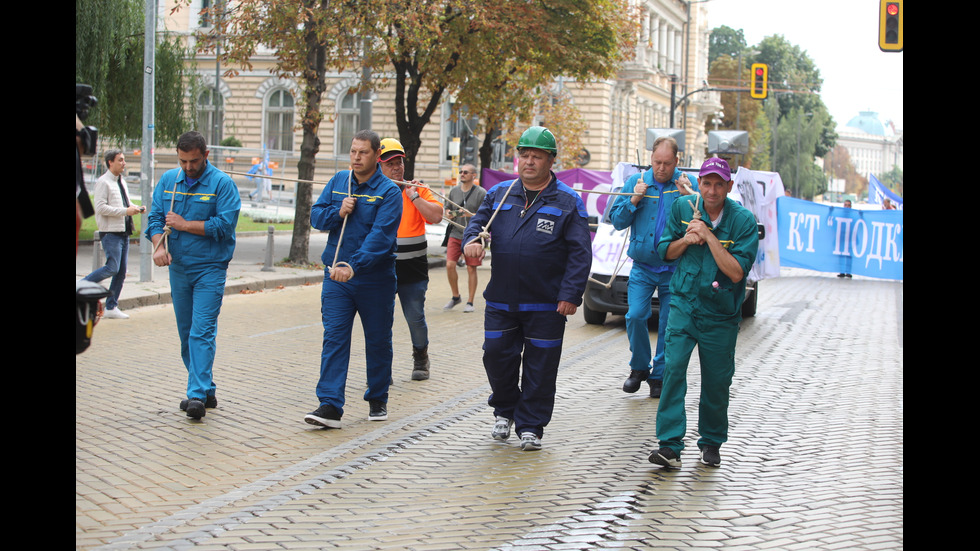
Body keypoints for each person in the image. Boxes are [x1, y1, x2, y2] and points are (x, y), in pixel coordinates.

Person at [462, 126, 592, 451]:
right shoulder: (500, 194)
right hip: (501, 299)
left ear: (551, 161)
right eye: (524, 154)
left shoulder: (568, 202)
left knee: (541, 367)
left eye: (537, 156)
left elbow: (580, 252)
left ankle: (531, 425)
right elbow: (475, 226)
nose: (529, 161)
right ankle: (504, 410)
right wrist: (472, 243)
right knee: (495, 357)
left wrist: (570, 294)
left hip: (546, 303)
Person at [648, 157, 759, 469]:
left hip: (720, 313)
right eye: (707, 183)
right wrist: (687, 238)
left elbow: (736, 272)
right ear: (699, 184)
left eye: (719, 184)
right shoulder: (683, 209)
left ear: (729, 186)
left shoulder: (743, 222)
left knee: (716, 381)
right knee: (673, 372)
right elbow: (665, 252)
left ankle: (711, 442)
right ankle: (669, 445)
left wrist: (710, 237)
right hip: (684, 305)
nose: (712, 190)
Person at [305, 130, 402, 429]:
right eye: (353, 151)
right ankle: (330, 405)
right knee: (334, 337)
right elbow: (316, 216)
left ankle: (377, 396)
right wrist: (338, 211)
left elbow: (380, 238)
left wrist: (354, 265)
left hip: (375, 279)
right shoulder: (338, 182)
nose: (356, 158)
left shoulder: (389, 192)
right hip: (336, 278)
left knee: (377, 340)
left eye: (363, 153)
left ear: (376, 156)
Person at [146, 131, 241, 419]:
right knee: (187, 334)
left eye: (194, 161)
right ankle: (206, 387)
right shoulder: (168, 181)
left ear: (206, 155)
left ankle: (196, 394)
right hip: (179, 268)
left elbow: (224, 226)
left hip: (209, 268)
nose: (188, 167)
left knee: (201, 330)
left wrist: (185, 225)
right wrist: (158, 246)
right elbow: (154, 219)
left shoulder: (222, 184)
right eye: (183, 161)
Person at [606, 137, 695, 399]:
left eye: (667, 163)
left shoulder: (685, 184)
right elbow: (617, 221)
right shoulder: (637, 181)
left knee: (669, 324)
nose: (661, 168)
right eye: (657, 162)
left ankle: (659, 376)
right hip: (643, 266)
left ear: (677, 161)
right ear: (651, 158)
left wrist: (688, 196)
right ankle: (639, 368)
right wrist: (634, 199)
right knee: (635, 315)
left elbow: (703, 219)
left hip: (675, 266)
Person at [378, 137, 443, 381]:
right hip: (382, 267)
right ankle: (382, 368)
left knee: (415, 316)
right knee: (380, 320)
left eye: (399, 162)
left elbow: (436, 216)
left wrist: (414, 197)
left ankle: (421, 358)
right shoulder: (372, 192)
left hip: (413, 269)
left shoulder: (417, 189)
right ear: (379, 166)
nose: (396, 167)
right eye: (389, 163)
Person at [82, 149, 144, 319]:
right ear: (110, 162)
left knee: (121, 271)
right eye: (121, 160)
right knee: (112, 267)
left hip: (123, 231)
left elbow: (125, 202)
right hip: (110, 233)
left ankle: (111, 306)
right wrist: (126, 211)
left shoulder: (120, 181)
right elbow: (101, 208)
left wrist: (136, 208)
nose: (124, 163)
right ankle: (81, 286)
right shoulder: (104, 182)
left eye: (124, 160)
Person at [444, 163, 486, 313]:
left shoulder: (481, 193)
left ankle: (470, 301)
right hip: (455, 233)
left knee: (471, 268)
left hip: (472, 236)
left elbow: (487, 216)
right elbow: (446, 208)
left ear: (474, 175)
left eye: (466, 172)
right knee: (449, 265)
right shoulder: (454, 191)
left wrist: (471, 215)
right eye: (461, 172)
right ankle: (456, 297)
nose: (462, 174)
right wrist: (449, 213)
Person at [837, 199, 853, 278]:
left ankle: (848, 272)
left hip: (851, 239)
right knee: (841, 255)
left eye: (848, 205)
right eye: (845, 205)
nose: (847, 206)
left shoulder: (853, 215)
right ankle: (842, 271)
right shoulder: (840, 214)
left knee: (849, 255)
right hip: (842, 238)